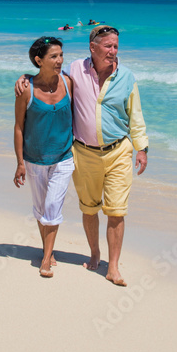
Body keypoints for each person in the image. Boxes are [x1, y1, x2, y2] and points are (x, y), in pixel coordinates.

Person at [16, 25, 148, 286]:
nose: (113, 51)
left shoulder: (127, 77)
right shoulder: (75, 69)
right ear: (93, 47)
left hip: (119, 150)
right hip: (84, 153)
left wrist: (141, 148)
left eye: (116, 46)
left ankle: (113, 267)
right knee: (89, 209)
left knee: (116, 210)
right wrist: (25, 77)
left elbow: (136, 115)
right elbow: (48, 75)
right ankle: (95, 252)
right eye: (108, 46)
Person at [13, 37, 75, 278]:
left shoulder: (68, 83)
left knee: (51, 207)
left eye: (61, 55)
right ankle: (47, 248)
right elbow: (19, 127)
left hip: (63, 157)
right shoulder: (25, 89)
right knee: (41, 210)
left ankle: (46, 259)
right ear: (39, 60)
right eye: (53, 56)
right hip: (34, 158)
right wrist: (19, 162)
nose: (59, 60)